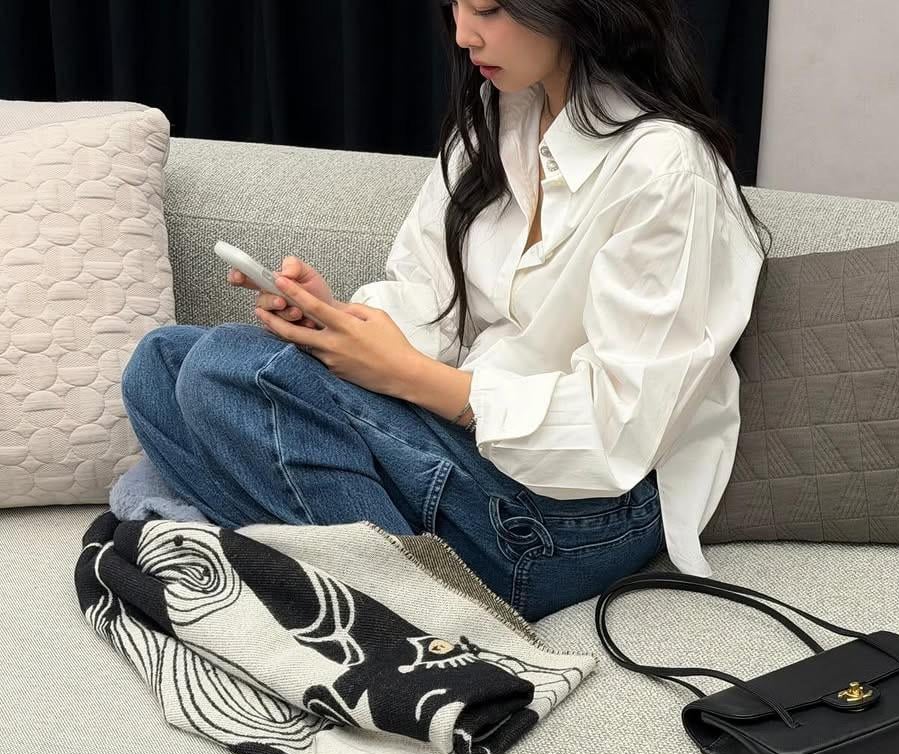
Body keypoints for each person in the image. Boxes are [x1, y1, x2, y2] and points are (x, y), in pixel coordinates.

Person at [120, 0, 771, 623]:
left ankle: (422, 619)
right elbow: (426, 299)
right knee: (160, 363)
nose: (463, 34)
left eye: (489, 10)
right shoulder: (497, 119)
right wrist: (337, 325)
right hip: (470, 450)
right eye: (455, 7)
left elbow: (617, 434)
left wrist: (405, 375)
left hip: (583, 511)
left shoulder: (664, 168)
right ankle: (349, 565)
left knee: (226, 369)